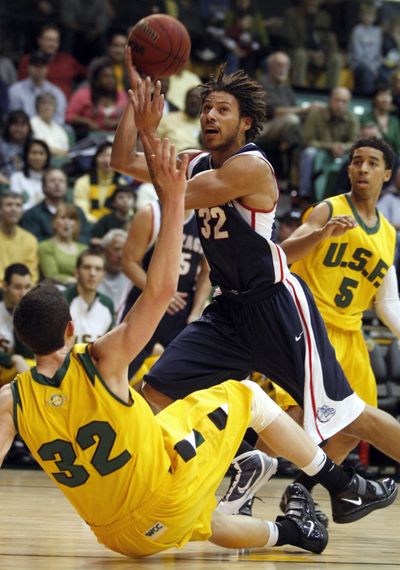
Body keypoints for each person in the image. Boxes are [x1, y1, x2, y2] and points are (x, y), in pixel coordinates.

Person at [0, 138, 395, 559]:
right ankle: (340, 484)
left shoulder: (11, 400)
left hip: (118, 540)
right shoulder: (101, 359)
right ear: (70, 330)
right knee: (251, 397)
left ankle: (293, 533)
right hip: (169, 499)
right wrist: (174, 205)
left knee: (197, 500)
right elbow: (160, 289)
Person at [110, 50, 400, 517]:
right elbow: (122, 160)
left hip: (278, 308)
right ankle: (157, 483)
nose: (209, 114)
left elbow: (176, 194)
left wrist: (150, 132)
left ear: (245, 123)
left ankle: (345, 486)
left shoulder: (251, 167)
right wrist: (136, 102)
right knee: (157, 391)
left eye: (222, 109)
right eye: (206, 107)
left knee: (348, 415)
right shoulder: (195, 161)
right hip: (228, 312)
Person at [121, 199, 211, 379]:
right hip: (145, 303)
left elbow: (207, 271)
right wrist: (159, 292)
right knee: (123, 369)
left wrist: (196, 311)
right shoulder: (151, 213)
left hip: (182, 310)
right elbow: (128, 262)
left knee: (178, 379)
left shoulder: (204, 220)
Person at [20, 167, 91, 244]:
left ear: (66, 186)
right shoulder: (31, 215)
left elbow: (85, 238)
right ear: (43, 187)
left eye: (61, 181)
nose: (57, 184)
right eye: (52, 181)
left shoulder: (77, 212)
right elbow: (33, 241)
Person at [17, 24, 86, 98]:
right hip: (35, 105)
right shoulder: (28, 60)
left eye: (56, 41)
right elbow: (21, 87)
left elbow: (90, 75)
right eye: (48, 40)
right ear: (39, 41)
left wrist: (78, 96)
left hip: (65, 106)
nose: (52, 44)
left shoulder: (68, 61)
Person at [66, 61, 128, 139]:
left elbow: (131, 118)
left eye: (113, 77)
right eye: (106, 76)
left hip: (116, 138)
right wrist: (87, 122)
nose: (110, 80)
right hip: (88, 138)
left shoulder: (121, 95)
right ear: (96, 80)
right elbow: (69, 116)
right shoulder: (82, 94)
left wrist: (117, 122)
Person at [73, 141, 131, 223]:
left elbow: (127, 211)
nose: (107, 160)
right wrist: (98, 223)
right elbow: (81, 210)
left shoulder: (122, 184)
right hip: (89, 224)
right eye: (103, 155)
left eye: (111, 156)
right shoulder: (82, 182)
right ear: (95, 158)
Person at [64, 248, 114, 343]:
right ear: (76, 271)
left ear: (103, 274)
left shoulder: (108, 304)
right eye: (87, 267)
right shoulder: (61, 300)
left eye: (98, 269)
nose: (92, 273)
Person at [8, 51, 67, 125]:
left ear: (47, 68)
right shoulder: (15, 90)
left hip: (50, 132)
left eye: (42, 66)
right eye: (35, 65)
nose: (38, 69)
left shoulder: (56, 93)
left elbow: (59, 119)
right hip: (24, 132)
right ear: (28, 67)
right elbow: (14, 118)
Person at [0, 263, 33, 386]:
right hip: (6, 362)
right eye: (18, 287)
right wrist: (12, 358)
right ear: (5, 286)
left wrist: (18, 318)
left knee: (33, 366)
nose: (23, 293)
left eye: (27, 287)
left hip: (8, 371)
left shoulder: (29, 309)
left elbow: (28, 353)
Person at [38, 203, 87, 285]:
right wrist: (76, 280)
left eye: (71, 218)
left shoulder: (84, 249)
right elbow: (51, 276)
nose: (67, 222)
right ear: (54, 222)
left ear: (77, 224)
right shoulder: (46, 246)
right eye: (62, 218)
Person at [0, 192, 39, 283]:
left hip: (22, 291)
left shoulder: (30, 239)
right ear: (0, 210)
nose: (13, 209)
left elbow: (32, 275)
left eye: (18, 205)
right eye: (9, 205)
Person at [9, 139, 51, 211]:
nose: (37, 157)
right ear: (26, 156)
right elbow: (15, 206)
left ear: (47, 157)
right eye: (33, 153)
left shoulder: (51, 178)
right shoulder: (17, 177)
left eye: (41, 153)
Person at [97, 229, 131, 317]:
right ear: (104, 251)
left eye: (125, 250)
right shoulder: (92, 274)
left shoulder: (132, 279)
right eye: (116, 249)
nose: (121, 255)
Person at [30, 92, 70, 157]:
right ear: (37, 107)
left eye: (50, 104)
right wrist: (63, 152)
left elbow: (68, 151)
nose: (47, 107)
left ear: (55, 108)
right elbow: (41, 149)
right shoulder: (32, 123)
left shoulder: (59, 129)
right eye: (43, 104)